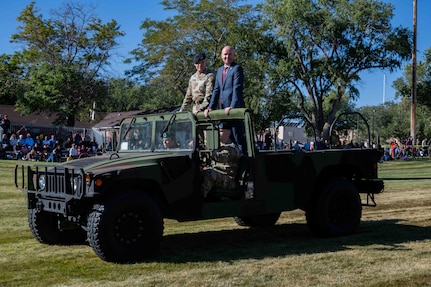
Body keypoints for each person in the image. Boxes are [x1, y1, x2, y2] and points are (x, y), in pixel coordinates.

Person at [204, 46, 246, 154]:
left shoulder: (237, 68)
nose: (227, 56)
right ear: (221, 56)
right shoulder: (219, 71)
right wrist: (210, 108)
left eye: (230, 54)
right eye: (225, 54)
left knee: (238, 139)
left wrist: (232, 106)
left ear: (233, 55)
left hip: (234, 110)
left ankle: (245, 166)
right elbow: (216, 91)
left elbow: (237, 88)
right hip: (223, 110)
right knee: (223, 137)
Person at [201, 122, 243, 197]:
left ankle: (198, 201)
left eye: (220, 131)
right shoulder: (216, 146)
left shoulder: (232, 149)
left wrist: (204, 151)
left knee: (209, 174)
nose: (217, 133)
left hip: (228, 180)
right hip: (217, 176)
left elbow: (219, 156)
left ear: (228, 132)